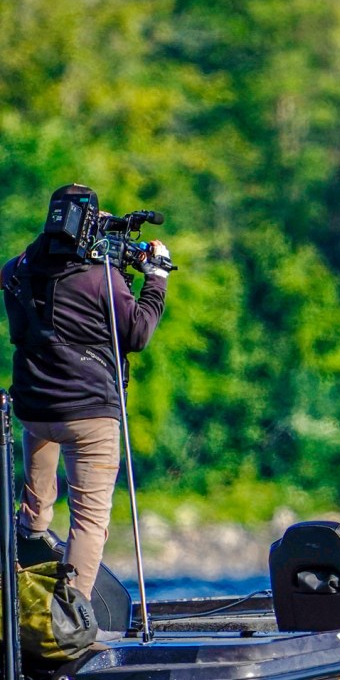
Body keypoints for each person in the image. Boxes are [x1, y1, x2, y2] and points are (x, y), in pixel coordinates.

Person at [1, 184, 171, 600]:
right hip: (88, 413)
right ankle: (70, 615)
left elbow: (29, 262)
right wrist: (156, 277)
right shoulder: (101, 279)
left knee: (36, 503)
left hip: (35, 408)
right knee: (89, 520)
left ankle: (26, 555)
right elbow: (137, 333)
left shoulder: (16, 271)